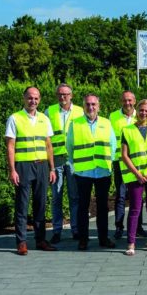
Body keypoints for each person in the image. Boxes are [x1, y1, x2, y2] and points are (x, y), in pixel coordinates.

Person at [5, 86, 57, 255]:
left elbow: (48, 145)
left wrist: (52, 168)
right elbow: (10, 146)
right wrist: (12, 170)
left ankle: (41, 240)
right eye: (29, 98)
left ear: (39, 100)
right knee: (22, 205)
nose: (32, 101)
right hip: (23, 167)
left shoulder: (44, 119)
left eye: (36, 98)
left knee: (40, 205)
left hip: (42, 166)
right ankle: (21, 242)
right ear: (24, 98)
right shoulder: (15, 118)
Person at [67, 94, 117, 250]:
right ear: (83, 106)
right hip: (83, 172)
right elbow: (69, 147)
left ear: (99, 106)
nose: (91, 107)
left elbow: (113, 145)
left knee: (103, 207)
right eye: (88, 104)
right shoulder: (75, 124)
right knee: (83, 207)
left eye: (94, 104)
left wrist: (108, 163)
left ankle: (103, 238)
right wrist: (76, 165)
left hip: (102, 171)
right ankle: (83, 240)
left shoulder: (106, 123)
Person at [121, 99, 147, 256]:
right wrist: (137, 174)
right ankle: (131, 244)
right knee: (134, 209)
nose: (143, 113)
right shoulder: (127, 130)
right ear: (136, 111)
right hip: (135, 176)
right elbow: (124, 155)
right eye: (141, 110)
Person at [45, 83, 84, 244]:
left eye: (66, 94)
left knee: (75, 197)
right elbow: (46, 138)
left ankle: (75, 229)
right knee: (56, 197)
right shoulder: (49, 111)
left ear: (71, 95)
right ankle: (57, 231)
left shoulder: (80, 111)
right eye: (60, 94)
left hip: (74, 159)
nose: (63, 97)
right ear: (57, 96)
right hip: (57, 160)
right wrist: (50, 165)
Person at [109, 90, 146, 239]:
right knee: (121, 195)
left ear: (135, 101)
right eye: (125, 100)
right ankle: (119, 226)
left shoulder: (143, 114)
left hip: (138, 162)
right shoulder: (113, 117)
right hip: (120, 161)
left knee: (137, 196)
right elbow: (110, 140)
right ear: (121, 101)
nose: (127, 103)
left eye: (130, 100)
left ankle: (138, 227)